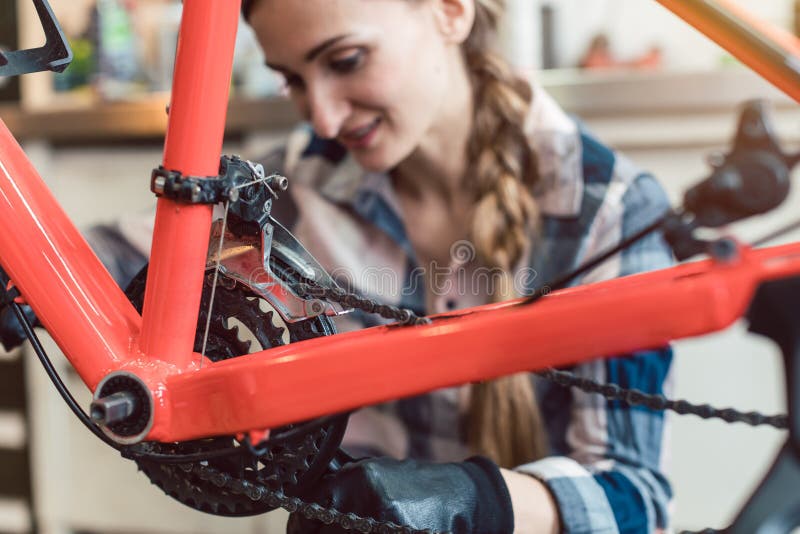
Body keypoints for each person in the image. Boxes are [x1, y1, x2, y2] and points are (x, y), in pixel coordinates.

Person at [240, 0, 675, 533]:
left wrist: (476, 499)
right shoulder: (296, 180)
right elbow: (115, 266)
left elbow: (634, 499)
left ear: (450, 12)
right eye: (293, 82)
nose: (324, 118)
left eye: (347, 60)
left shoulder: (609, 210)